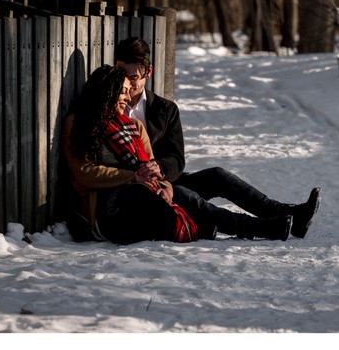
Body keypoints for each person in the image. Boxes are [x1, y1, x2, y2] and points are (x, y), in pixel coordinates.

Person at [115, 36, 321, 240]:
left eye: (133, 78)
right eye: (122, 74)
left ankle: (289, 214)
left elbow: (177, 159)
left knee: (217, 175)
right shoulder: (110, 107)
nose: (127, 83)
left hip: (166, 180)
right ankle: (260, 227)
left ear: (148, 72)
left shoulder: (165, 109)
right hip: (138, 191)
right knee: (186, 195)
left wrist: (159, 167)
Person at [62, 65, 202, 244]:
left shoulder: (134, 126)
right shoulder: (78, 123)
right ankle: (194, 227)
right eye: (124, 92)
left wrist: (166, 187)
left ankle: (241, 225)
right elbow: (85, 172)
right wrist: (133, 177)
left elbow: (152, 168)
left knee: (189, 194)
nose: (128, 99)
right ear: (108, 91)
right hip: (110, 212)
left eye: (129, 92)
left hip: (145, 197)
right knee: (139, 194)